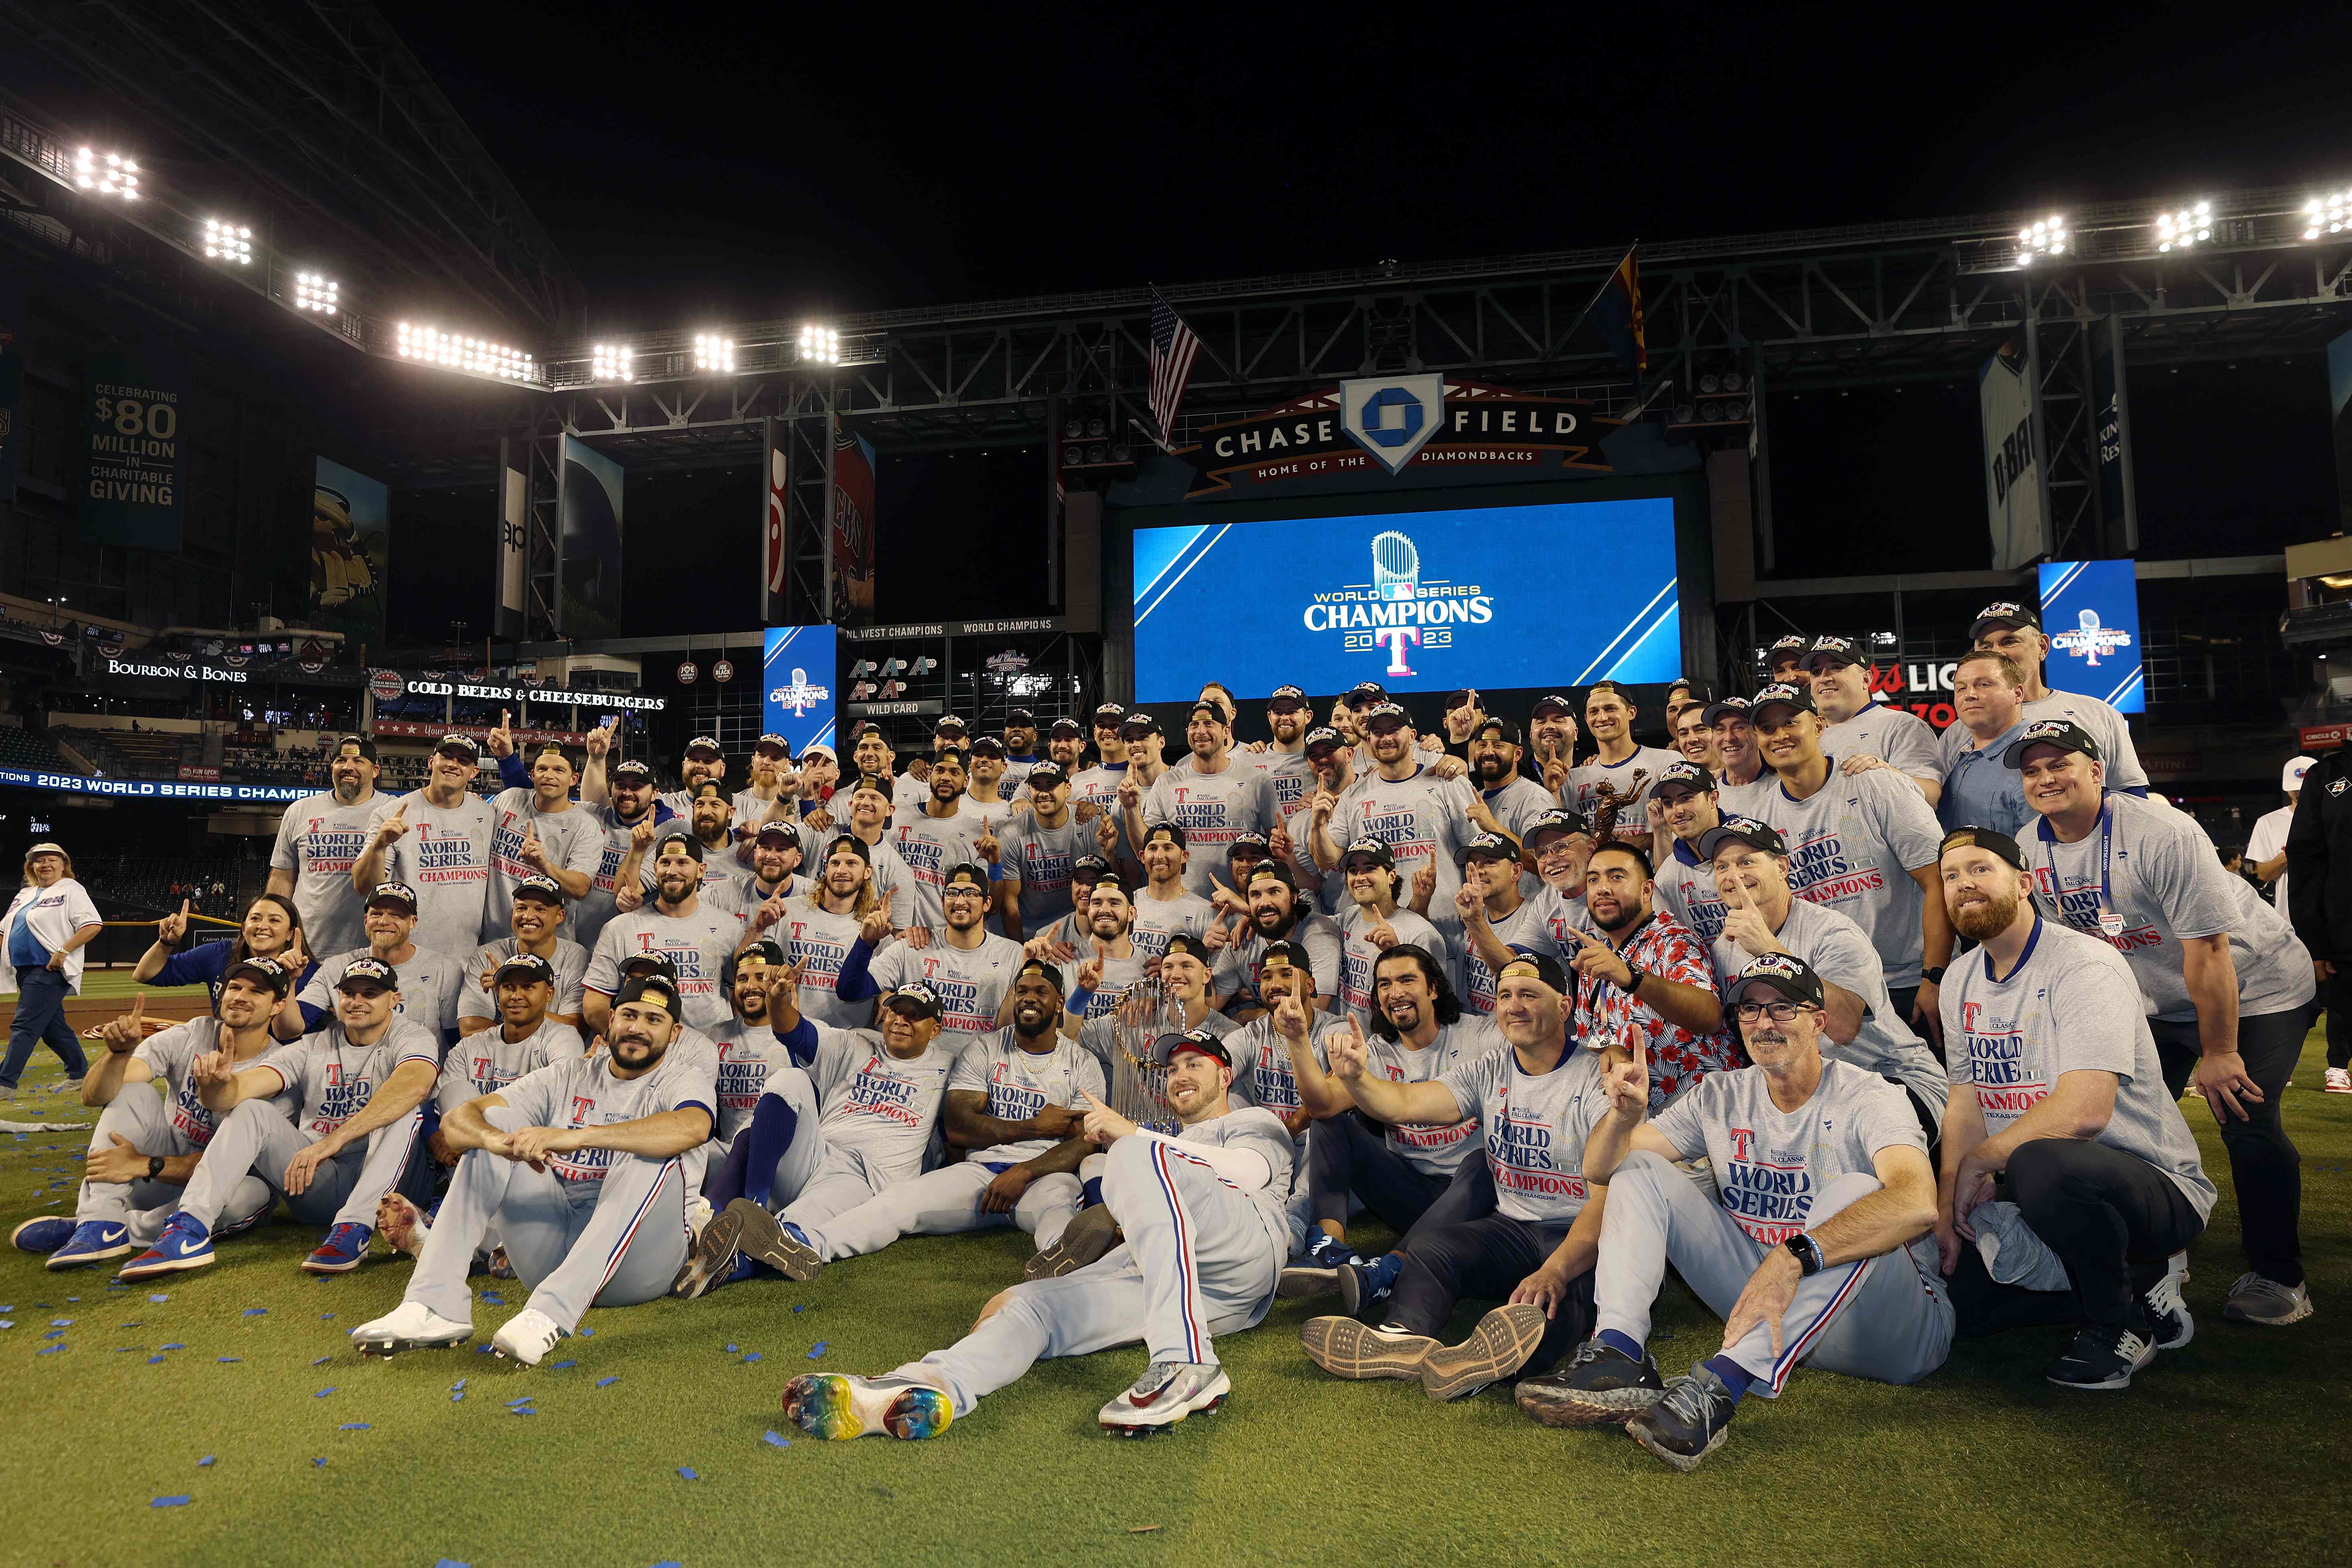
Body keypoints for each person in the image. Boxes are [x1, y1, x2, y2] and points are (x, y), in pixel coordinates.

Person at [1531, 953, 1949, 1469]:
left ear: (1819, 1022)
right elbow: (1601, 1168)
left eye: (1782, 1008)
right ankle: (1619, 1352)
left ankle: (1721, 1385)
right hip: (1767, 1309)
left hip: (1892, 1331)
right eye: (1750, 1010)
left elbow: (1916, 1202)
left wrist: (1793, 1257)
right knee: (1637, 1166)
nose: (1763, 1023)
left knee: (1860, 1191)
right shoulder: (1721, 1093)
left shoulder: (1870, 1095)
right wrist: (1624, 1117)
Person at [779, 1027, 1291, 1440]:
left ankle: (1185, 1361)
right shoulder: (1165, 1143)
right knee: (1027, 1304)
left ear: (1224, 1075)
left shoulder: (1252, 1119)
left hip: (1242, 1249)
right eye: (1173, 1067)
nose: (1179, 1074)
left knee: (1130, 1154)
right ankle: (928, 1382)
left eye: (1194, 1063)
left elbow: (1248, 1173)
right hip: (1185, 1286)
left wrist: (1132, 1135)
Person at [2009, 719, 2316, 1325]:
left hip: (2254, 987)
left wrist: (2220, 1051)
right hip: (2152, 997)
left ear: (2096, 772)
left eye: (2059, 764)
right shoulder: (2029, 843)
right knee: (2109, 1120)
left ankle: (2281, 1277)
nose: (2045, 778)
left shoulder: (2161, 832)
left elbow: (2208, 951)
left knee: (2244, 1117)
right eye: (2032, 770)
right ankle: (2156, 1253)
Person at [1933, 827, 2215, 1390]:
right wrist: (1947, 1206)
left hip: (2145, 1183)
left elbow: (2085, 1111)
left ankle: (2120, 1325)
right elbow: (1963, 1101)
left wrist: (1982, 1160)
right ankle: (2133, 1277)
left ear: (2024, 881)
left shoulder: (2084, 965)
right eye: (1950, 876)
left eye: (1979, 869)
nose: (1964, 883)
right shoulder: (1959, 979)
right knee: (1956, 1310)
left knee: (2044, 1160)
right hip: (2033, 1185)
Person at [350, 972, 714, 1365]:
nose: (637, 1028)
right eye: (629, 1015)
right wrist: (494, 1144)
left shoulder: (682, 1077)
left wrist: (576, 1136)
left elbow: (692, 1126)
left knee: (649, 1149)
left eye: (652, 1020)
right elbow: (459, 1121)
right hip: (550, 1254)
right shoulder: (567, 1074)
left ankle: (551, 1314)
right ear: (611, 1019)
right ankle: (435, 1305)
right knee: (493, 1128)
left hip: (639, 1267)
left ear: (674, 1032)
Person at [1299, 953, 1611, 1399]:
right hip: (1513, 1226)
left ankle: (1490, 1360)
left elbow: (1607, 1199)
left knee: (1561, 1297)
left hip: (1577, 1235)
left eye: (1529, 994)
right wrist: (1355, 1078)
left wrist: (1555, 1271)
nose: (1513, 1005)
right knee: (1429, 1247)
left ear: (1564, 1007)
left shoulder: (1597, 1075)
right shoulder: (1492, 1066)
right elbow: (1406, 1104)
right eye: (1504, 995)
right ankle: (1402, 1337)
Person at [741, 959, 1101, 1275]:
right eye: (1022, 990)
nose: (1030, 998)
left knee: (1057, 1209)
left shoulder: (1082, 1063)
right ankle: (804, 1245)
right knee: (898, 1204)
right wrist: (1034, 1128)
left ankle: (1067, 1258)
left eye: (1042, 991)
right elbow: (960, 1127)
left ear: (1059, 1004)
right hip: (981, 1175)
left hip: (1045, 1174)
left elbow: (1084, 1142)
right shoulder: (985, 1049)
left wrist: (1024, 1172)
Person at [118, 956, 442, 1278]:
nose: (357, 1002)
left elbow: (412, 1085)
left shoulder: (411, 1036)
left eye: (370, 994)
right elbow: (239, 1092)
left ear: (394, 1000)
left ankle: (354, 1229)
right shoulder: (313, 1046)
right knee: (252, 1110)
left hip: (396, 1186)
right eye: (349, 993)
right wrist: (217, 1087)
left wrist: (333, 1141)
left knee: (402, 1112)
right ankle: (188, 1230)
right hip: (321, 1183)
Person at [677, 979, 958, 1296]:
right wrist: (778, 1001)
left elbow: (963, 1128)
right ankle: (752, 1206)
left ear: (935, 1031)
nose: (902, 1021)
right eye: (897, 1010)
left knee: (789, 1233)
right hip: (819, 1153)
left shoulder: (948, 1068)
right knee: (788, 1079)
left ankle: (733, 1264)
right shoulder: (857, 1043)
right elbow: (793, 1033)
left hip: (863, 1176)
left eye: (915, 1015)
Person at [11, 959, 292, 1269]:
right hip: (159, 1175)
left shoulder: (280, 1068)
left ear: (278, 1006)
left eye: (256, 992)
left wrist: (146, 1164)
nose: (240, 996)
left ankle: (116, 1228)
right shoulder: (192, 1034)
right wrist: (117, 1056)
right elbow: (95, 1096)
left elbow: (234, 1166)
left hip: (216, 1189)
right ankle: (100, 1222)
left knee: (253, 1193)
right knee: (132, 1090)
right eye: (236, 987)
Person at [1703, 816, 1946, 1134]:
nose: (1733, 876)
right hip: (1805, 1093)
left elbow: (1844, 1028)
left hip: (1889, 1079)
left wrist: (1771, 951)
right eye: (1722, 867)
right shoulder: (1725, 949)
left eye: (1746, 862)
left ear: (1781, 868)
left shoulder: (1833, 932)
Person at [1749, 680, 1952, 1047]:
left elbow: (1938, 880)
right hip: (1830, 990)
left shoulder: (1876, 785)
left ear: (1819, 725)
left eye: (1791, 722)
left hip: (1906, 981)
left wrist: (1934, 977)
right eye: (1767, 729)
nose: (1780, 735)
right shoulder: (1759, 817)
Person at [1291, 946, 1495, 1292]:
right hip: (1409, 1190)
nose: (1395, 993)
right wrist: (1296, 1039)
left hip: (1472, 1198)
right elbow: (1322, 1107)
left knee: (1484, 1161)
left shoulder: (1478, 1035)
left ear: (1433, 988)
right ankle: (1329, 1249)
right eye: (1384, 984)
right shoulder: (1378, 1050)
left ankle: (1392, 1268)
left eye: (1406, 980)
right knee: (1331, 1124)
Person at [375, 952, 590, 1261]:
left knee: (492, 1116)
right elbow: (439, 1104)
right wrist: (437, 1138)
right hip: (473, 1155)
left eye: (528, 987)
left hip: (533, 1157)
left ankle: (446, 1236)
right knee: (458, 1096)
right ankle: (486, 1242)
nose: (516, 996)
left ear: (550, 994)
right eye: (508, 988)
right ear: (497, 993)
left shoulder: (562, 1039)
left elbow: (555, 1106)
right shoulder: (471, 1046)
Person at [1313, 703, 1484, 955]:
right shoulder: (1354, 796)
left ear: (1413, 736)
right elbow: (1329, 861)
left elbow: (1477, 850)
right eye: (1378, 733)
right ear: (1369, 739)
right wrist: (1318, 826)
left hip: (1444, 926)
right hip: (1375, 932)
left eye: (1394, 730)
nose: (1386, 738)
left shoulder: (1446, 781)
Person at [1970, 601, 2150, 793]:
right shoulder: (1961, 730)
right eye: (1986, 647)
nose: (1998, 653)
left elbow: (2131, 797)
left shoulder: (2097, 714)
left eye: (2010, 642)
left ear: (2042, 647)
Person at [582, 830, 744, 1033]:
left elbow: (738, 996)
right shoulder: (620, 928)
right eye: (665, 863)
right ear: (655, 868)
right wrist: (615, 1037)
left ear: (701, 870)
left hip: (710, 1047)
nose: (672, 871)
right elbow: (595, 1002)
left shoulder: (728, 926)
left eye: (682, 863)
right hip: (640, 1049)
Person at [353, 733, 497, 959]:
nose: (453, 765)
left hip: (468, 955)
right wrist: (379, 846)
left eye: (463, 761)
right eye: (447, 757)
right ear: (432, 762)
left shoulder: (487, 814)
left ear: (474, 772)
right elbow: (364, 888)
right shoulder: (392, 813)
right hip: (406, 952)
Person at [1134, 700, 1281, 902]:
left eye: (1209, 724)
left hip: (1243, 903)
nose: (1201, 731)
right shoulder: (1167, 783)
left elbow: (1278, 846)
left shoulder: (1257, 781)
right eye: (1194, 725)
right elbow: (1148, 847)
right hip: (1183, 903)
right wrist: (1130, 809)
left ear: (1226, 730)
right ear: (1187, 732)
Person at [855, 863, 1025, 1037]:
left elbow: (1017, 1029)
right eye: (952, 893)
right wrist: (866, 943)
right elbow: (851, 991)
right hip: (921, 1063)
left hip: (982, 1062)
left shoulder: (1013, 955)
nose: (960, 901)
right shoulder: (914, 945)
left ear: (987, 903)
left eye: (970, 893)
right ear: (943, 902)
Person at [294, 881, 467, 1045]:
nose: (384, 922)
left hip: (420, 1070)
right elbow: (291, 1029)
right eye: (376, 914)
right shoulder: (336, 967)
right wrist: (289, 981)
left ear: (412, 922)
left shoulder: (444, 968)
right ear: (366, 920)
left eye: (396, 915)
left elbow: (456, 1041)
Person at [132, 891, 315, 1035]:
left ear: (291, 933)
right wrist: (167, 943)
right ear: (244, 928)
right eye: (255, 918)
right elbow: (145, 974)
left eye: (274, 920)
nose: (262, 926)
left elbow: (291, 1032)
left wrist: (290, 980)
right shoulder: (221, 953)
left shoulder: (307, 970)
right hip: (229, 1052)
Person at [267, 733, 382, 957]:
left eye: (359, 761)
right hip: (306, 948)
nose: (348, 767)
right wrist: (273, 928)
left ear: (375, 771)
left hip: (371, 949)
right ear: (332, 768)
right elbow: (282, 877)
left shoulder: (393, 810)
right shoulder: (300, 810)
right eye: (341, 761)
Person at [483, 727, 603, 940]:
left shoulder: (585, 826)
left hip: (549, 945)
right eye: (542, 769)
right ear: (533, 774)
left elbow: (581, 887)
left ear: (574, 779)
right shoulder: (509, 799)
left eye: (559, 770)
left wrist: (544, 866)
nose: (549, 776)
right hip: (492, 938)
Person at [1, 843, 100, 1094]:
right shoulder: (24, 894)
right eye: (39, 860)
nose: (45, 864)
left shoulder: (71, 889)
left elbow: (92, 925)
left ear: (64, 865)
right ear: (31, 866)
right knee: (52, 1028)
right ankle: (79, 1075)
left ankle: (5, 1082)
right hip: (23, 969)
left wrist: (63, 952)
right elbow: (4, 931)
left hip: (48, 968)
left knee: (24, 1025)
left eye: (52, 860)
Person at [1804, 636, 1942, 805]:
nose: (1824, 678)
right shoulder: (1804, 736)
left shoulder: (1902, 726)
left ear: (1866, 679)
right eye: (1816, 672)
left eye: (1837, 667)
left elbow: (1932, 796)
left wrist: (1887, 775)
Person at [1326, 838, 1449, 1025]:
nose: (1360, 877)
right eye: (1353, 871)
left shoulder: (1421, 934)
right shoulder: (1347, 918)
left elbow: (1438, 1003)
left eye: (1370, 869)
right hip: (1349, 1043)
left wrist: (1398, 953)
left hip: (1395, 1046)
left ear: (1392, 877)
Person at [2288, 745, 2352, 1096]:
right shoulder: (2329, 776)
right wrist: (2315, 941)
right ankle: (2337, 1066)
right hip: (2345, 929)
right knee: (2339, 1006)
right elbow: (2307, 861)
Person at [774, 834, 887, 1029]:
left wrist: (888, 992)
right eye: (835, 863)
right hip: (788, 1031)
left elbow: (890, 978)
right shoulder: (788, 911)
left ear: (867, 871)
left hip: (847, 1041)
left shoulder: (874, 930)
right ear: (826, 869)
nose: (841, 871)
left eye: (851, 863)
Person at [457, 875, 588, 1039]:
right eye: (521, 908)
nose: (528, 916)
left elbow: (576, 1029)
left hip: (553, 1059)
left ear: (560, 917)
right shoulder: (487, 957)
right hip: (498, 1059)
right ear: (513, 913)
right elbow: (471, 1031)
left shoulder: (576, 958)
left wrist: (514, 1000)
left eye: (541, 909)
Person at [1211, 861, 1341, 1020]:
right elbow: (1208, 1005)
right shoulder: (1244, 939)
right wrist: (1202, 953)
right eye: (1256, 895)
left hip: (1319, 1039)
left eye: (1274, 892)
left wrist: (1252, 1016)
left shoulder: (1319, 932)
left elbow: (1312, 1010)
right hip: (1269, 1038)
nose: (1265, 903)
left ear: (1294, 897)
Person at [1453, 831, 1561, 1016]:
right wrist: (1422, 899)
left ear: (1516, 871)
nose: (1478, 871)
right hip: (1477, 1033)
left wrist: (1474, 921)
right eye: (1472, 864)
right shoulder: (1464, 915)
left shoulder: (1538, 918)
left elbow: (1518, 974)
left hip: (1521, 1028)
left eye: (1489, 862)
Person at [1558, 682, 1679, 843]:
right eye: (1594, 712)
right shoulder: (1573, 779)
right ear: (1587, 719)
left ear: (1631, 712)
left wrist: (1646, 840)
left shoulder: (1667, 762)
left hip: (1654, 868)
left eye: (1610, 709)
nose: (1602, 718)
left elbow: (1688, 824)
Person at [1936, 649, 2033, 836]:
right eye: (1961, 688)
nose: (1969, 695)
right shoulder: (1959, 756)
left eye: (1983, 685)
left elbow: (2050, 851)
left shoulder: (2038, 759)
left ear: (2018, 693)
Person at [890, 749, 985, 932]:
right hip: (889, 933)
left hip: (937, 940)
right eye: (940, 771)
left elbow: (986, 904)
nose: (946, 778)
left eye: (955, 773)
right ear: (931, 775)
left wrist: (995, 864)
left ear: (966, 782)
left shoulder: (974, 834)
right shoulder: (898, 817)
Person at [575, 752, 662, 950]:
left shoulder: (666, 834)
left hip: (631, 944)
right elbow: (548, 802)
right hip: (577, 939)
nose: (627, 792)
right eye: (621, 785)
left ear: (655, 794)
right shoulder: (592, 815)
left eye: (637, 787)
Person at [998, 764, 1088, 944]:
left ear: (1068, 789)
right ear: (1029, 790)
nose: (1044, 793)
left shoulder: (1087, 823)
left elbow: (1097, 892)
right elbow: (1010, 904)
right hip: (1031, 929)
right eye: (1037, 787)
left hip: (1077, 928)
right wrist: (1022, 952)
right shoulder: (1012, 832)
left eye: (1051, 785)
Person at [1644, 761, 1728, 946]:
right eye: (1668, 803)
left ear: (1713, 799)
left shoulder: (1750, 847)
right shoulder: (1667, 876)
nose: (1678, 811)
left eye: (1686, 798)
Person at [1125, 822, 1217, 960]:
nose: (1159, 856)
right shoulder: (1127, 903)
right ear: (1143, 857)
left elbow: (1211, 976)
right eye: (1153, 848)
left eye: (1168, 848)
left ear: (1184, 856)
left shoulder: (1203, 912)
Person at [1468, 716, 1556, 843]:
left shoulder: (1534, 798)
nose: (1488, 752)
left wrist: (1493, 826)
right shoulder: (1472, 800)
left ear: (1518, 754)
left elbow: (1542, 858)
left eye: (1498, 745)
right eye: (1482, 745)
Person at [2245, 755, 2312, 916]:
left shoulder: (2336, 818)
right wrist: (2287, 856)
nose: (2300, 793)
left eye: (2305, 787)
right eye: (2295, 789)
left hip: (2334, 915)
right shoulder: (2268, 822)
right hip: (2290, 915)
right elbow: (2263, 875)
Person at [1243, 685, 1319, 819]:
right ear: (1269, 717)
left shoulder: (1320, 760)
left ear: (1308, 717)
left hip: (1309, 839)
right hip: (1267, 840)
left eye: (1291, 712)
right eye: (1278, 713)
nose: (1284, 718)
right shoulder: (1252, 758)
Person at [1704, 695, 1774, 818]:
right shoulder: (1706, 796)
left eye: (1739, 727)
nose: (1729, 738)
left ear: (1758, 733)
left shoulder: (1785, 785)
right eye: (1720, 729)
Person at [1669, 701, 1721, 774]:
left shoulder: (1740, 781)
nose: (1691, 740)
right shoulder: (1673, 784)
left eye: (1701, 730)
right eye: (1684, 734)